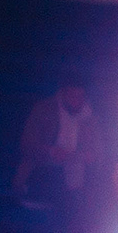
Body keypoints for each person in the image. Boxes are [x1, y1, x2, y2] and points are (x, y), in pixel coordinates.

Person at [14, 78, 105, 211]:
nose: (76, 101)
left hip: (78, 178)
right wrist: (51, 151)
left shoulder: (91, 118)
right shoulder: (44, 110)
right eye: (72, 96)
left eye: (80, 96)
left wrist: (90, 156)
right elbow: (27, 143)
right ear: (63, 94)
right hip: (45, 171)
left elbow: (99, 151)